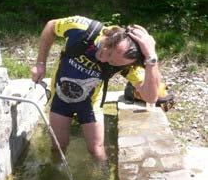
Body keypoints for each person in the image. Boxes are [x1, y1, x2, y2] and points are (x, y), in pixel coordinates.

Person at [31, 16, 161, 161]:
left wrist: (151, 57)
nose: (104, 60)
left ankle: (102, 178)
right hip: (60, 97)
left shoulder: (128, 64)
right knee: (59, 146)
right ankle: (55, 173)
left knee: (96, 151)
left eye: (112, 63)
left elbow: (151, 97)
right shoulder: (82, 28)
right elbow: (51, 26)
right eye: (109, 53)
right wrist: (40, 63)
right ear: (112, 37)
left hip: (90, 104)